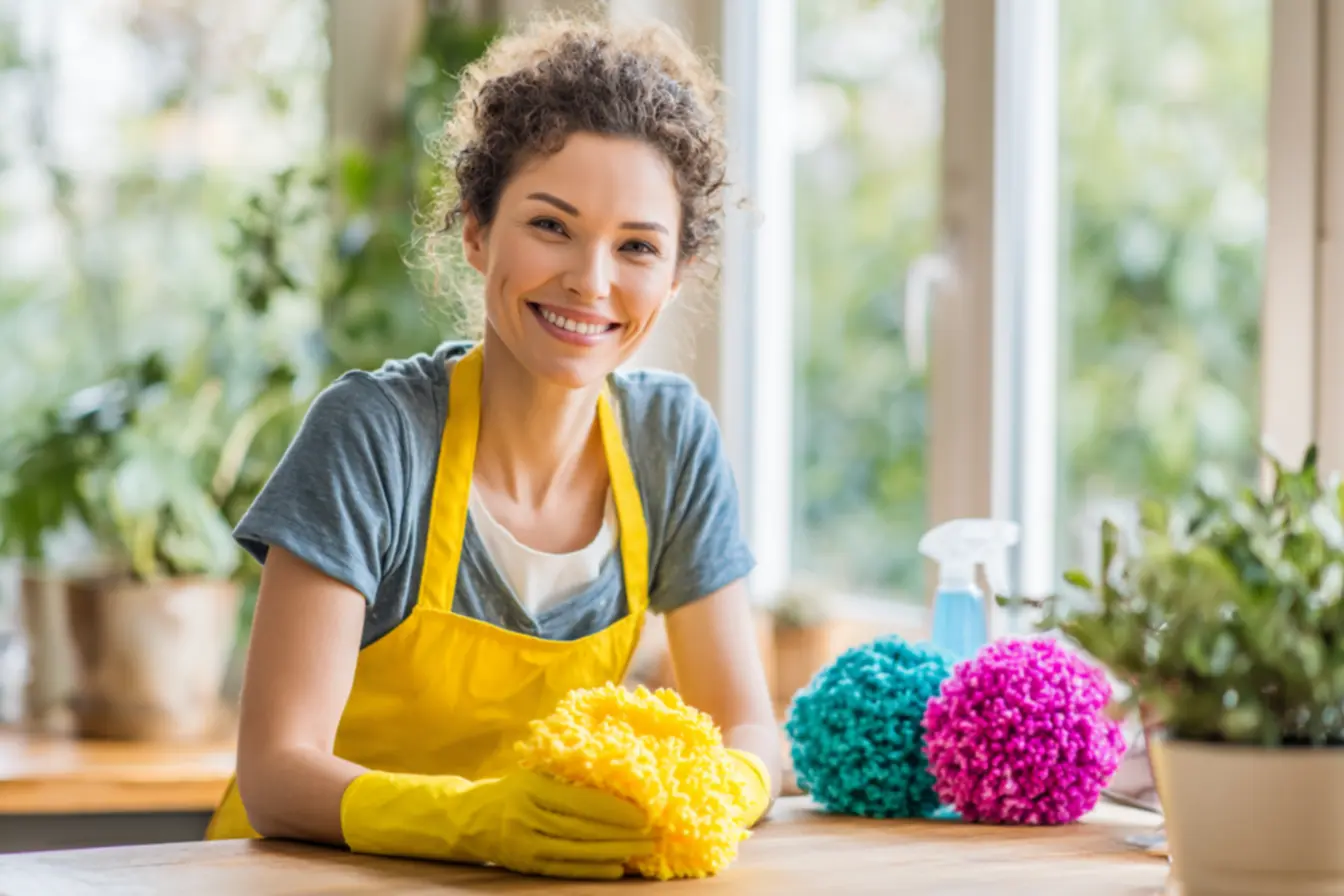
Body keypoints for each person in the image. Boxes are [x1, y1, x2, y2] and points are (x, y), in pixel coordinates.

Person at [203, 10, 781, 882]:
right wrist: (477, 819)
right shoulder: (375, 437)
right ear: (477, 231)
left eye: (636, 246)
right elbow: (277, 772)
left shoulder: (670, 440)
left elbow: (748, 728)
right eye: (552, 225)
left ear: (675, 274)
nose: (591, 281)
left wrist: (713, 796)